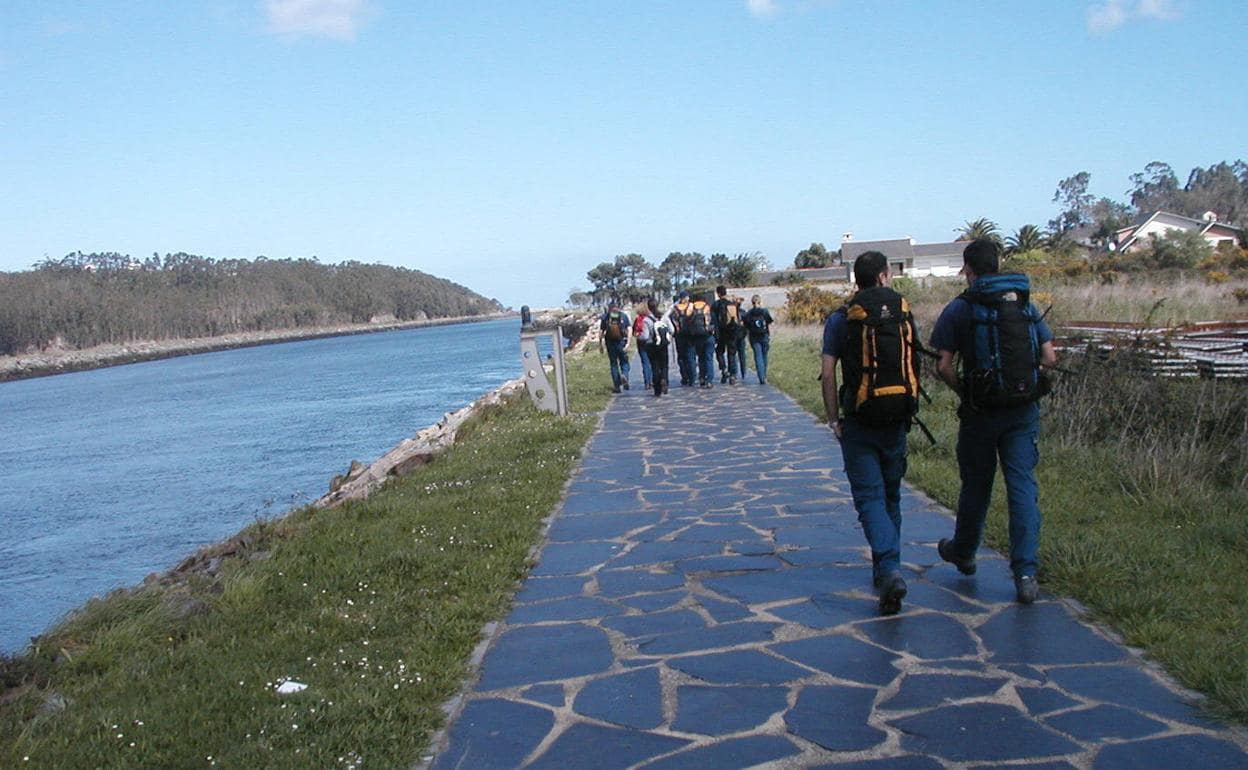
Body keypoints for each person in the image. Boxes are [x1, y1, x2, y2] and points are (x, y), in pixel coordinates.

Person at [930, 237, 1057, 605]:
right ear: (998, 263)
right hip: (1022, 410)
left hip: (980, 412)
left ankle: (965, 552)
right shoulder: (1024, 303)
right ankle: (1026, 572)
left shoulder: (960, 308)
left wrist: (965, 391)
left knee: (976, 485)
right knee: (1021, 487)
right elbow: (1049, 358)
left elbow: (943, 365)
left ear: (967, 269)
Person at [822, 251, 920, 615]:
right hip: (897, 417)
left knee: (869, 498)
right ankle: (885, 569)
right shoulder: (903, 315)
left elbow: (829, 373)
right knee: (891, 494)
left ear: (855, 278)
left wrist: (834, 418)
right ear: (884, 275)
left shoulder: (841, 319)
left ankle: (889, 568)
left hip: (859, 418)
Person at [639, 298, 672, 397]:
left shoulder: (646, 320)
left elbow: (645, 336)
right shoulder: (664, 317)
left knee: (655, 366)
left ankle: (657, 389)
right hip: (663, 345)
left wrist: (638, 337)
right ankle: (664, 380)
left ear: (648, 307)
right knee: (664, 365)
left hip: (651, 346)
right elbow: (672, 330)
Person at [599, 301, 632, 394]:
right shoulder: (623, 316)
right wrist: (628, 343)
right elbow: (629, 329)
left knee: (613, 364)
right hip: (621, 342)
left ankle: (617, 386)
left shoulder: (605, 317)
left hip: (610, 343)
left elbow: (601, 331)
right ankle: (624, 376)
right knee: (625, 363)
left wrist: (600, 344)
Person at [712, 285, 742, 384]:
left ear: (718, 294)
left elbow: (714, 321)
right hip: (732, 331)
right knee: (732, 353)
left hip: (721, 332)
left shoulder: (715, 305)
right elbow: (737, 318)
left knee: (719, 351)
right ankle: (732, 375)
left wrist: (715, 334)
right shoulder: (732, 304)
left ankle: (724, 369)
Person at [743, 294, 774, 384]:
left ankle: (761, 377)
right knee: (764, 356)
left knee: (758, 356)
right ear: (760, 302)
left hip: (754, 337)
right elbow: (769, 322)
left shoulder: (749, 313)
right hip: (764, 336)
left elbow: (746, 325)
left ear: (752, 303)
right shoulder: (765, 311)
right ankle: (764, 374)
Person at [688, 291, 717, 388]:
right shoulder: (707, 307)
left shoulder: (692, 308)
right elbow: (713, 321)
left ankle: (702, 378)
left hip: (697, 337)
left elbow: (688, 320)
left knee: (701, 358)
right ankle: (710, 380)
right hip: (708, 336)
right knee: (709, 358)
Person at [670, 291, 694, 386]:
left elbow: (673, 321)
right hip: (690, 335)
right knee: (690, 356)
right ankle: (692, 377)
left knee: (681, 357)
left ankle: (684, 377)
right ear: (686, 298)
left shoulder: (675, 308)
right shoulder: (691, 307)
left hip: (679, 336)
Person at [632, 303, 652, 391]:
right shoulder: (650, 318)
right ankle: (652, 380)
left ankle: (647, 382)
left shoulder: (638, 319)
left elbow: (633, 331)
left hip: (641, 342)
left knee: (645, 362)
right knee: (652, 362)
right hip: (651, 342)